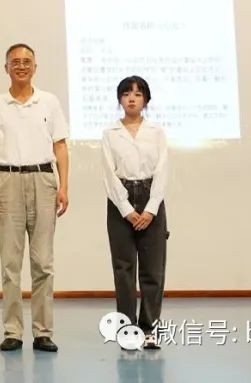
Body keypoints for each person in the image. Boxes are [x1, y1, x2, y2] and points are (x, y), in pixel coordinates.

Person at [0, 43, 69, 353]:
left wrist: (64, 186)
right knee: (10, 263)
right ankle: (13, 331)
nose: (21, 66)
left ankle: (43, 331)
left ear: (35, 67)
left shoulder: (49, 102)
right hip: (8, 181)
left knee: (43, 262)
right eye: (15, 62)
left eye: (26, 61)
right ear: (6, 67)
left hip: (44, 179)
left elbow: (60, 146)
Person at [101, 75, 169, 350]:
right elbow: (108, 174)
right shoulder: (110, 133)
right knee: (124, 269)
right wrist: (127, 209)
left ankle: (149, 329)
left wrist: (150, 210)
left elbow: (162, 171)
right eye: (126, 93)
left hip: (151, 197)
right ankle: (128, 329)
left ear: (146, 100)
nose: (132, 98)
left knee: (153, 270)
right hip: (120, 201)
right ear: (119, 99)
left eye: (138, 94)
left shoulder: (156, 132)